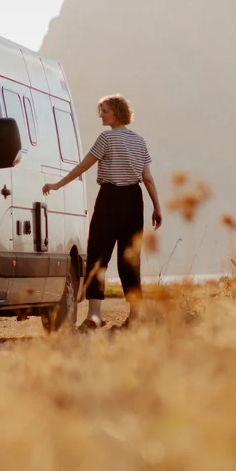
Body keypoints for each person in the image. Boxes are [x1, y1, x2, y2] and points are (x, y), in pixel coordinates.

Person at [42, 94, 161, 328]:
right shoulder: (139, 141)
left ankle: (94, 316)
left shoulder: (106, 138)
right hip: (134, 201)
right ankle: (135, 316)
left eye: (104, 111)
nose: (101, 116)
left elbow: (83, 166)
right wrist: (157, 207)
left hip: (110, 199)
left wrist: (57, 185)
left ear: (116, 112)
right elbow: (147, 178)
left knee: (98, 256)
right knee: (130, 258)